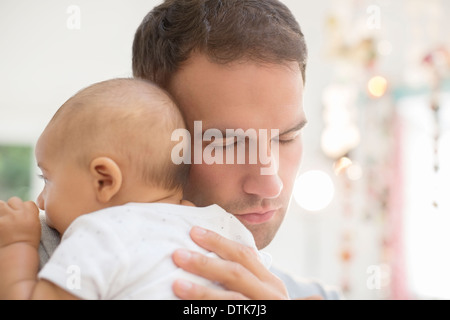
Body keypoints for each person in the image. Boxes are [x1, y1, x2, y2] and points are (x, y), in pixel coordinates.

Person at [40, 0, 342, 299]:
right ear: (151, 133)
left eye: (286, 138)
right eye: (226, 143)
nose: (270, 182)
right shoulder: (35, 265)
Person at [0, 78, 272, 300]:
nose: (41, 201)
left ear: (104, 180)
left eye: (47, 179)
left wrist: (16, 243)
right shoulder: (220, 226)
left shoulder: (97, 234)